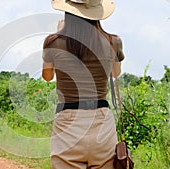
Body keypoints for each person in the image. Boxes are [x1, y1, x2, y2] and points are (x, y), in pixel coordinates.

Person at [42, 0, 125, 168]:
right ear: (96, 13)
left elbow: (47, 76)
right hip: (102, 122)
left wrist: (59, 34)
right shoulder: (114, 42)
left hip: (68, 121)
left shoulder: (52, 42)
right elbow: (115, 73)